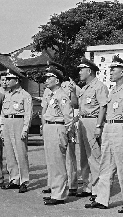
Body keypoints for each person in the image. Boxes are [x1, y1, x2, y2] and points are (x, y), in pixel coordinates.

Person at [84, 55, 123, 212]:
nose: (110, 72)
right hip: (109, 127)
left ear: (122, 71)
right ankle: (101, 199)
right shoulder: (113, 89)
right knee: (105, 165)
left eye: (113, 69)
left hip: (122, 128)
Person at [69, 57, 109, 199]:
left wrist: (99, 126)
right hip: (82, 122)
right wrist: (73, 91)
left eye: (81, 70)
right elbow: (75, 105)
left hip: (93, 121)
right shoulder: (85, 88)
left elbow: (103, 107)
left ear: (89, 71)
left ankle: (98, 189)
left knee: (95, 156)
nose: (79, 72)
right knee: (84, 157)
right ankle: (87, 186)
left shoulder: (99, 86)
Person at [41, 61, 80, 197]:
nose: (46, 81)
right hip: (50, 126)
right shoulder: (52, 94)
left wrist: (69, 132)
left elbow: (68, 116)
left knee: (59, 162)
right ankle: (55, 190)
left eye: (49, 78)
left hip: (58, 127)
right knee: (52, 161)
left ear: (57, 80)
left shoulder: (62, 95)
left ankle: (59, 194)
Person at [0, 71, 33, 193]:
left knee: (21, 154)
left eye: (9, 79)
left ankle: (24, 181)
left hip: (18, 123)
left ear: (17, 80)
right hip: (7, 123)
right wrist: (2, 128)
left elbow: (28, 114)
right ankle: (14, 179)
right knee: (10, 154)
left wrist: (25, 129)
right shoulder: (6, 95)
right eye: (6, 79)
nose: (6, 81)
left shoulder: (25, 95)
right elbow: (2, 114)